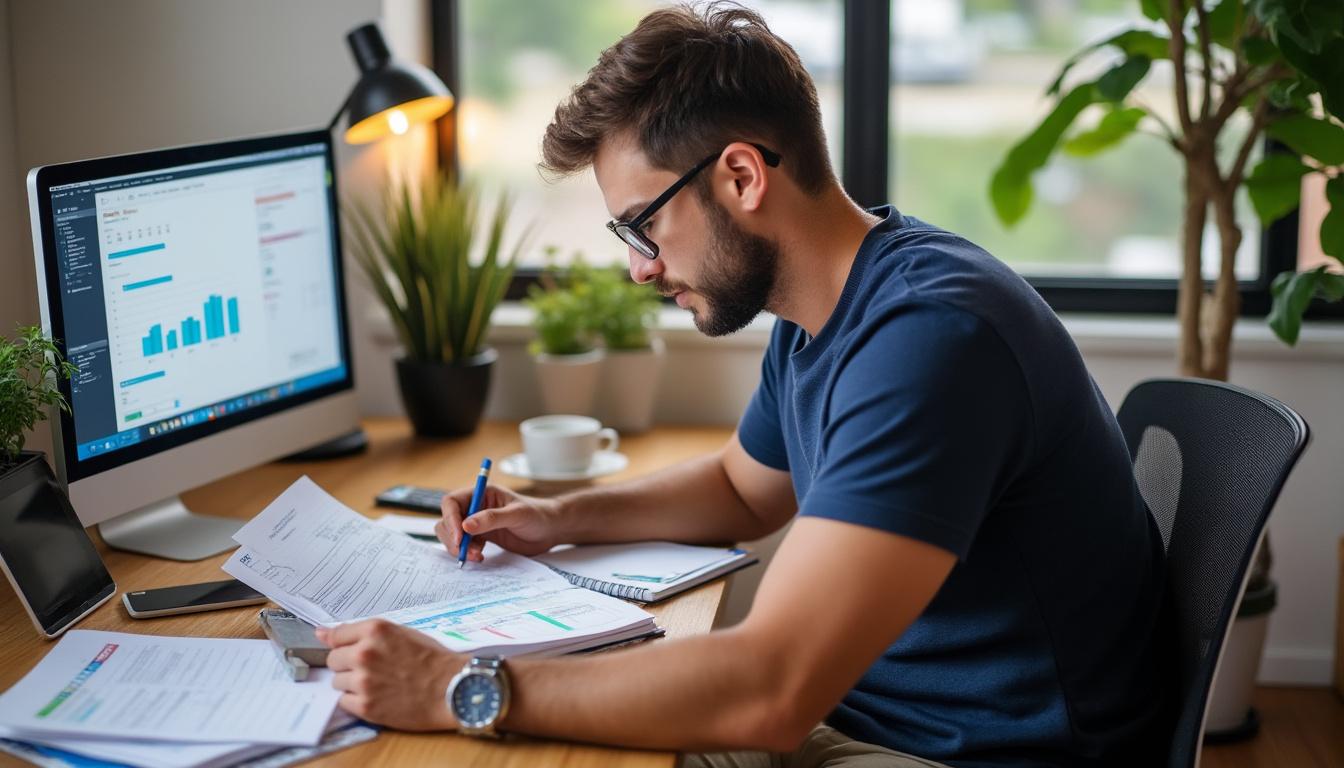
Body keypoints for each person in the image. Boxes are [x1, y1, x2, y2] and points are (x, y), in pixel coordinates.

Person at [315, 4, 1169, 765]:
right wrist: (555, 517)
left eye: (641, 224)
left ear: (742, 177)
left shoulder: (930, 340)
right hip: (868, 714)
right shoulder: (825, 307)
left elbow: (772, 689)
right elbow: (742, 488)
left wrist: (462, 684)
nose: (638, 268)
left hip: (979, 753)